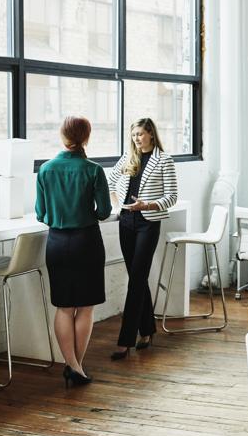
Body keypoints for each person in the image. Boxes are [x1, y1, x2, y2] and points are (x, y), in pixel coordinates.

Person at [35, 116, 111, 387]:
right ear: (86, 137)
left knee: (64, 307)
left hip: (56, 243)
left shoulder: (45, 170)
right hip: (86, 242)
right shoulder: (93, 170)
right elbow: (104, 211)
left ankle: (73, 366)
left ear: (62, 135)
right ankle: (76, 367)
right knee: (85, 307)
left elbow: (41, 213)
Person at [107, 118, 178, 360]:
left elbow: (172, 196)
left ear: (150, 134)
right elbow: (110, 183)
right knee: (137, 278)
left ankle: (125, 341)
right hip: (126, 222)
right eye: (134, 134)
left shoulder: (164, 160)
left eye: (140, 134)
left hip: (148, 223)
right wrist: (119, 207)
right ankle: (147, 330)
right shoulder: (128, 158)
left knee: (136, 280)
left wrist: (147, 204)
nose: (137, 138)